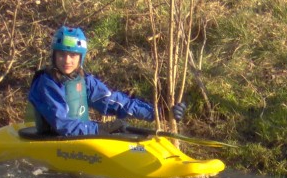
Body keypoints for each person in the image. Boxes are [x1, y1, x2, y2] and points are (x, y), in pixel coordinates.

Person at [27, 25, 187, 137]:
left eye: (73, 55)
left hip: (78, 140)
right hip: (53, 142)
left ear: (81, 57)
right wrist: (100, 128)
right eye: (61, 54)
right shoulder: (46, 84)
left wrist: (160, 112)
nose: (67, 60)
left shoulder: (84, 81)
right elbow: (63, 125)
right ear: (54, 56)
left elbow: (117, 103)